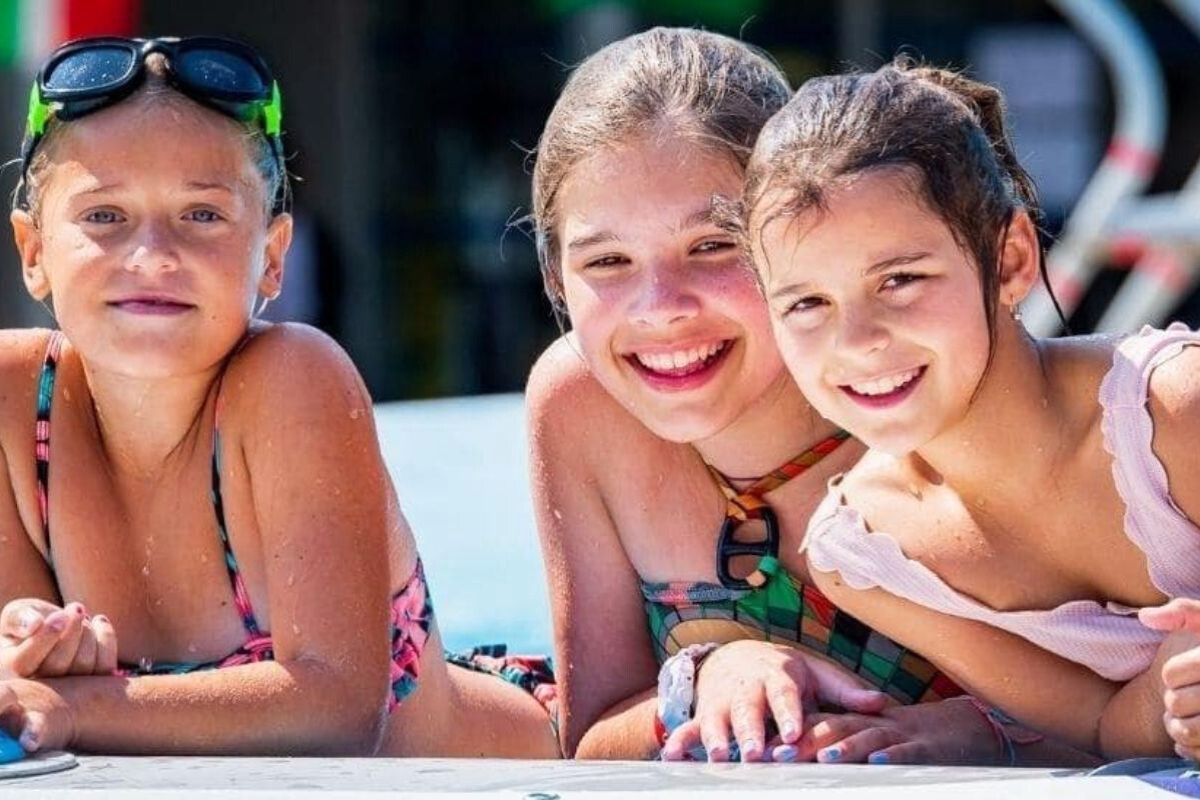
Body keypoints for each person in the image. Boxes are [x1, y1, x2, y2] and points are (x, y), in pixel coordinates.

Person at [526, 28, 1092, 766]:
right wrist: (705, 676)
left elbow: (1152, 687)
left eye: (713, 245)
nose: (660, 308)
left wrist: (987, 733)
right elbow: (588, 743)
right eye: (607, 261)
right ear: (555, 277)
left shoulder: (914, 389)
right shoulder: (582, 403)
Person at [0, 35, 557, 758]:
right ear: (34, 252)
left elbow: (336, 709)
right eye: (104, 216)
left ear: (272, 256)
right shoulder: (16, 402)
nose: (153, 254)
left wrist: (78, 705)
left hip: (538, 769)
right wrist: (37, 658)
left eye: (202, 215)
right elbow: (24, 696)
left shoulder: (292, 381)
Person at [737, 57, 1200, 760]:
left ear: (1010, 260)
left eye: (900, 279)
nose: (856, 341)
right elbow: (1100, 730)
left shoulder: (1171, 411)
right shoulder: (865, 553)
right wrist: (1173, 698)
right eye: (806, 303)